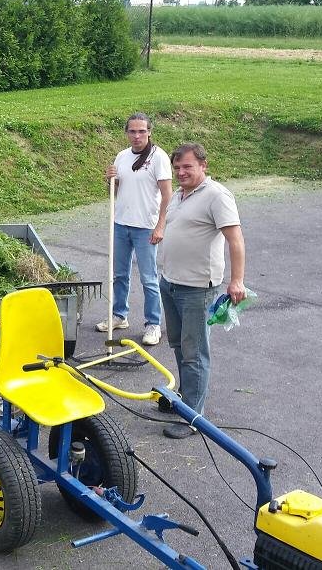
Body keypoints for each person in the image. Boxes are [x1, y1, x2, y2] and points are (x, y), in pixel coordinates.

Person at [157, 143, 246, 439]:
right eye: (177, 168)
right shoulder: (179, 195)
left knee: (194, 352)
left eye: (188, 167)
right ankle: (184, 399)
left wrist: (237, 281)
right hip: (170, 282)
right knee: (179, 345)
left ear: (203, 166)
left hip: (197, 288)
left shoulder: (217, 196)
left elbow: (235, 240)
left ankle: (193, 418)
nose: (181, 172)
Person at [96, 112, 172, 346]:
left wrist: (160, 225)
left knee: (149, 278)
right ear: (127, 133)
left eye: (141, 131)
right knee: (119, 275)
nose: (137, 135)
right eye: (132, 131)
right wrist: (109, 179)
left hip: (145, 227)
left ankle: (153, 324)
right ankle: (119, 315)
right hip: (121, 224)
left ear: (149, 132)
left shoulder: (158, 157)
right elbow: (116, 190)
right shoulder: (122, 156)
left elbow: (167, 194)